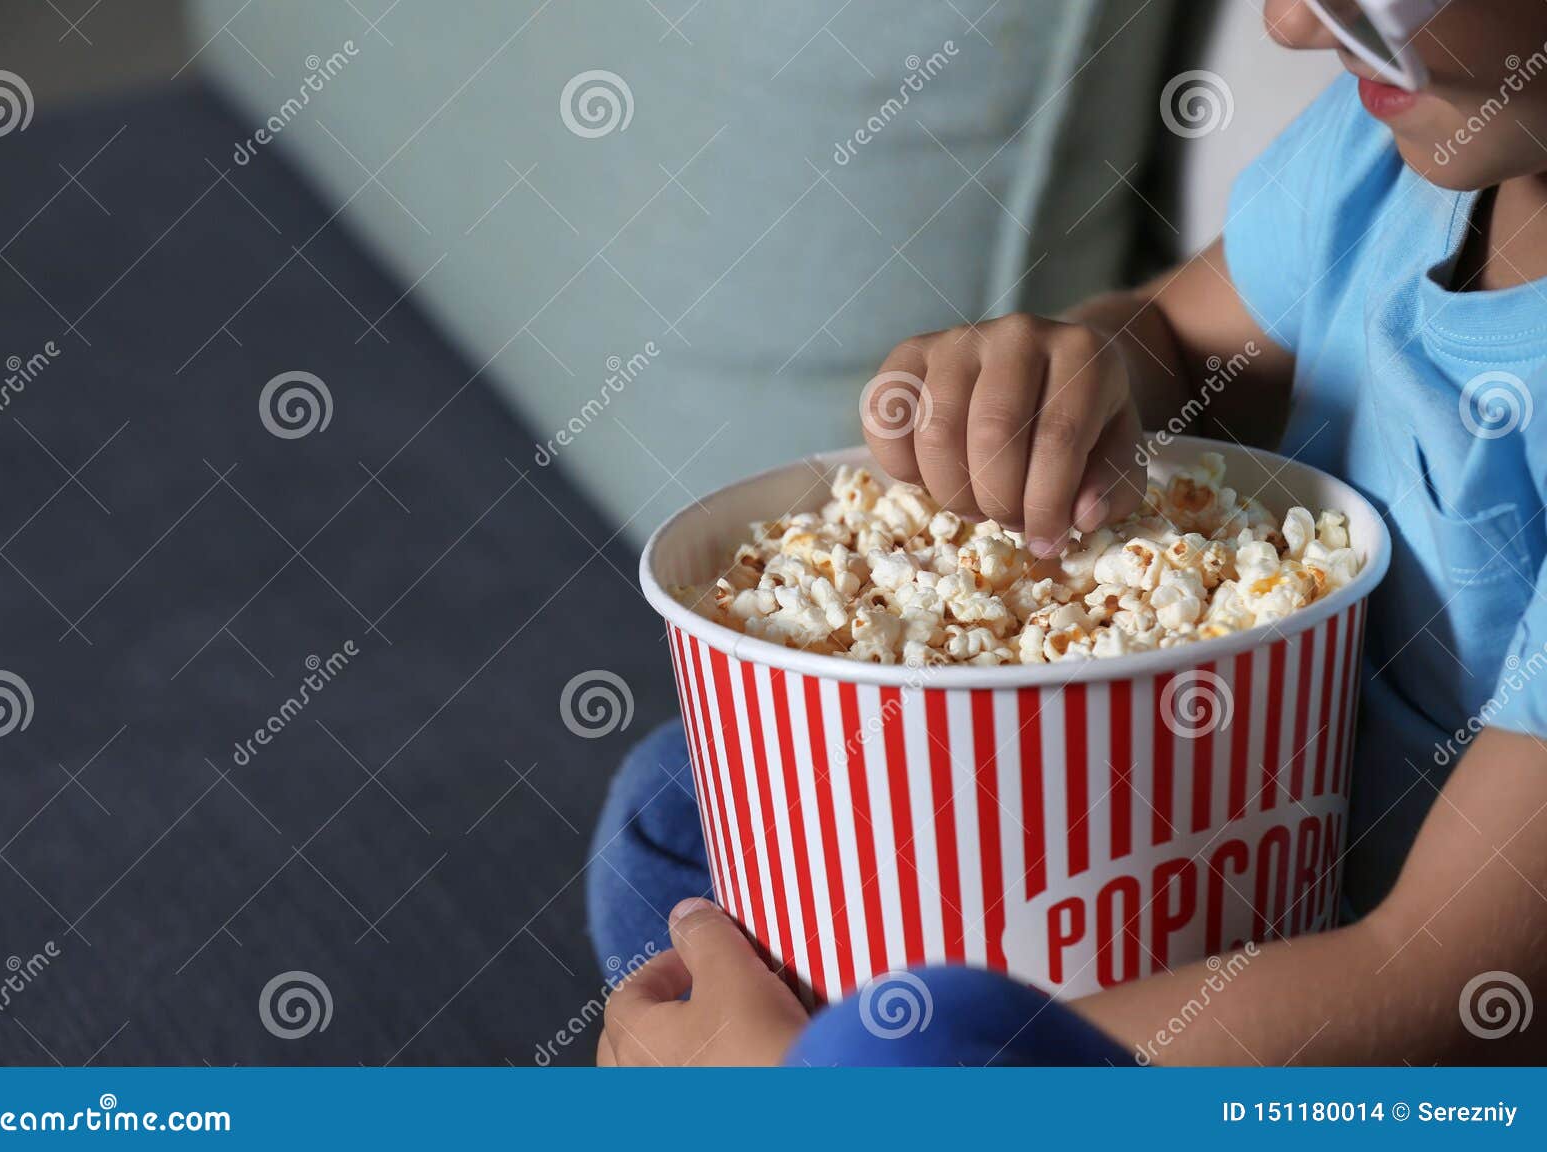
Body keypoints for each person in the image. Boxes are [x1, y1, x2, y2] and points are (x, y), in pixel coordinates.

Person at [591, 0, 1547, 1065]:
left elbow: (1440, 979)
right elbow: (1180, 341)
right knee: (673, 813)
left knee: (908, 1053)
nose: (1289, 26)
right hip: (1238, 843)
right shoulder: (1379, 158)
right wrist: (1071, 373)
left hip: (1420, 1044)